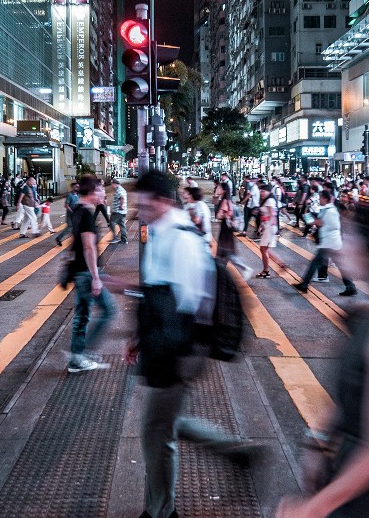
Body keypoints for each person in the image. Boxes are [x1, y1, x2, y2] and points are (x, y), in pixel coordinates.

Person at [278, 195, 369, 518]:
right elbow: (352, 398)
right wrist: (319, 441)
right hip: (348, 473)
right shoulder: (368, 316)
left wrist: (314, 509)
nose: (342, 245)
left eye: (351, 237)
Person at [129, 171, 261, 518]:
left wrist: (176, 355)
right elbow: (156, 292)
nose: (139, 210)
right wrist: (139, 337)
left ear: (164, 201)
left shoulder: (182, 237)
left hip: (180, 347)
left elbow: (189, 304)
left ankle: (161, 512)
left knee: (156, 431)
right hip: (165, 342)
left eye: (145, 204)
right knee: (164, 426)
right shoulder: (159, 231)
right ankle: (235, 450)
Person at [66, 176, 111, 373]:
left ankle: (79, 354)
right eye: (101, 190)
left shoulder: (77, 209)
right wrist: (96, 277)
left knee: (82, 314)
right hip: (86, 272)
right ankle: (79, 356)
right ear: (92, 192)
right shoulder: (86, 214)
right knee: (107, 311)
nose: (104, 194)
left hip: (79, 271)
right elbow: (88, 247)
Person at [297, 190, 356, 296]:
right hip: (333, 242)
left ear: (325, 199)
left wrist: (311, 221)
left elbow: (320, 223)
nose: (319, 200)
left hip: (329, 243)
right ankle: (351, 287)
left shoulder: (328, 210)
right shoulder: (331, 209)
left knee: (314, 263)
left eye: (320, 198)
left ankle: (304, 285)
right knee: (341, 266)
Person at [256, 184, 279, 278]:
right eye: (261, 191)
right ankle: (280, 264)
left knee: (263, 249)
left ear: (269, 191)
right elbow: (265, 216)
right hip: (268, 227)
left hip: (270, 227)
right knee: (265, 249)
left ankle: (266, 271)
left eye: (263, 191)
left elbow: (272, 214)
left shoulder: (270, 200)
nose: (262, 193)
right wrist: (261, 226)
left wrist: (270, 225)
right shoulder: (266, 200)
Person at [109, 179, 129, 244]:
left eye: (111, 184)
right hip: (123, 212)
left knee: (111, 222)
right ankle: (124, 240)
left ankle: (115, 238)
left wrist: (120, 206)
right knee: (122, 225)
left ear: (115, 184)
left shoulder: (119, 190)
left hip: (118, 211)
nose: (111, 185)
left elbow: (122, 197)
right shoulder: (121, 189)